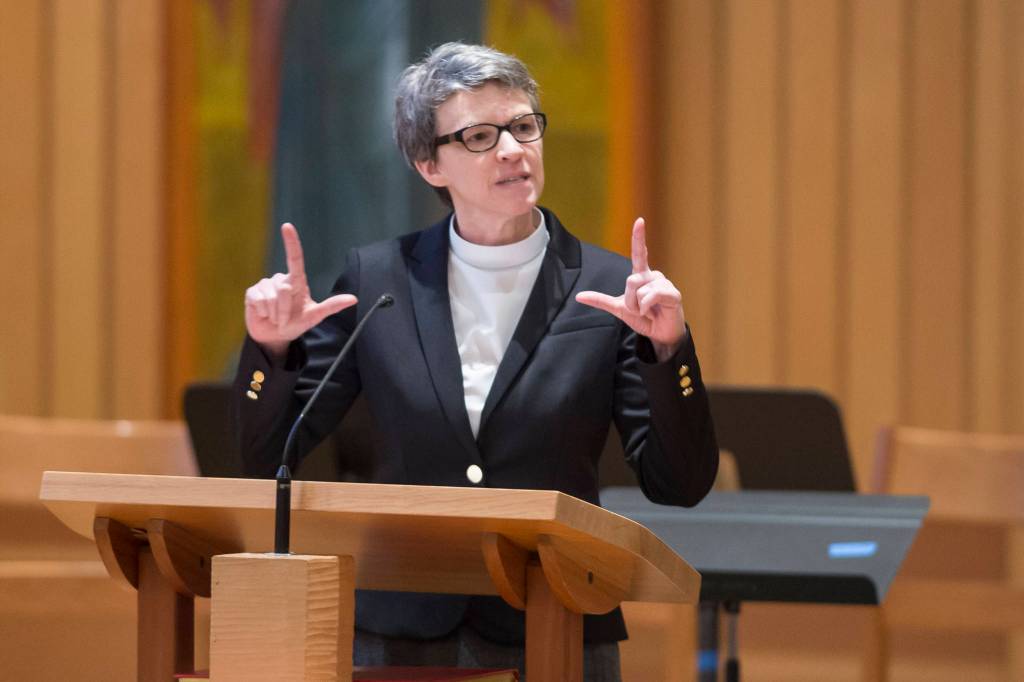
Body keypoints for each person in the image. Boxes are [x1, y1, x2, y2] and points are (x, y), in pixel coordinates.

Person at [235, 42, 718, 681]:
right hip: (402, 628)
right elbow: (268, 457)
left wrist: (669, 351)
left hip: (557, 618)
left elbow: (679, 483)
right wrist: (272, 351)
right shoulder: (379, 280)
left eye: (523, 127)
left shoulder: (608, 289)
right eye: (480, 136)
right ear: (429, 164)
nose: (513, 150)